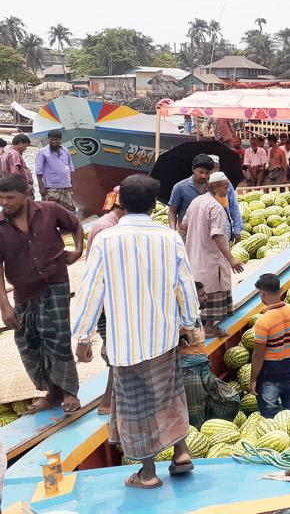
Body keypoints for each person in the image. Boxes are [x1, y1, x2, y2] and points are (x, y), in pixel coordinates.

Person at [72, 174, 200, 489]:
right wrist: (189, 322)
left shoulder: (105, 239)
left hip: (126, 343)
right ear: (155, 206)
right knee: (170, 395)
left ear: (121, 203)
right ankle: (181, 453)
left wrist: (84, 336)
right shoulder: (169, 238)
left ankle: (147, 473)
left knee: (137, 407)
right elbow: (184, 284)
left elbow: (91, 291)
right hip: (163, 337)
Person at [0, 174, 83, 414]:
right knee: (29, 341)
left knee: (57, 338)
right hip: (24, 291)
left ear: (26, 195)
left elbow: (76, 225)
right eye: (2, 198)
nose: (5, 203)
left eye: (10, 198)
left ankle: (68, 392)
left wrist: (77, 251)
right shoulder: (1, 225)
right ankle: (51, 392)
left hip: (55, 283)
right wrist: (4, 306)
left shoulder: (49, 210)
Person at [182, 172, 245, 338]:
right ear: (216, 187)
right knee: (213, 290)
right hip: (212, 257)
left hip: (195, 255)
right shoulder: (216, 207)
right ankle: (209, 327)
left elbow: (184, 225)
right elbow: (217, 235)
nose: (227, 189)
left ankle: (202, 323)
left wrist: (197, 234)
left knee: (202, 290)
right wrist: (231, 258)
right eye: (225, 186)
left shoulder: (196, 201)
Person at [87, 187, 127, 415]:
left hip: (112, 297)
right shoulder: (107, 228)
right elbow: (98, 272)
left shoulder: (109, 225)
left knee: (114, 348)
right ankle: (108, 401)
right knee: (114, 349)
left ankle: (111, 398)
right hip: (109, 299)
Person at [179, 281, 240, 427]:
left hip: (203, 366)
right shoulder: (181, 321)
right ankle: (200, 441)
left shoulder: (194, 317)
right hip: (189, 371)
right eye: (202, 295)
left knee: (230, 399)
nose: (206, 297)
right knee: (196, 413)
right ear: (192, 298)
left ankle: (211, 429)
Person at [249, 273, 290, 418]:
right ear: (280, 290)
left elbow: (258, 355)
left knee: (270, 415)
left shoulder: (263, 322)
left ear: (263, 293)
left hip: (269, 375)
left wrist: (253, 379)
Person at [167, 154, 215, 235]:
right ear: (193, 169)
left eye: (207, 173)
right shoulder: (180, 187)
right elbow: (172, 212)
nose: (203, 176)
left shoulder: (212, 187)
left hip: (207, 233)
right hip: (187, 233)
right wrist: (173, 232)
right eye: (200, 172)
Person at [35, 129, 76, 213]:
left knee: (68, 211)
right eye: (51, 140)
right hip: (51, 186)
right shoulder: (42, 152)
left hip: (66, 185)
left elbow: (70, 168)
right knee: (50, 210)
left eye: (56, 140)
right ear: (48, 139)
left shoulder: (65, 150)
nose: (54, 142)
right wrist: (41, 187)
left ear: (60, 140)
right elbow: (39, 171)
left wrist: (72, 183)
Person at [208, 155, 242, 243]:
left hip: (224, 229)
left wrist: (237, 229)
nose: (214, 170)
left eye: (216, 166)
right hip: (207, 231)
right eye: (211, 167)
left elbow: (234, 207)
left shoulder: (226, 183)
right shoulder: (202, 185)